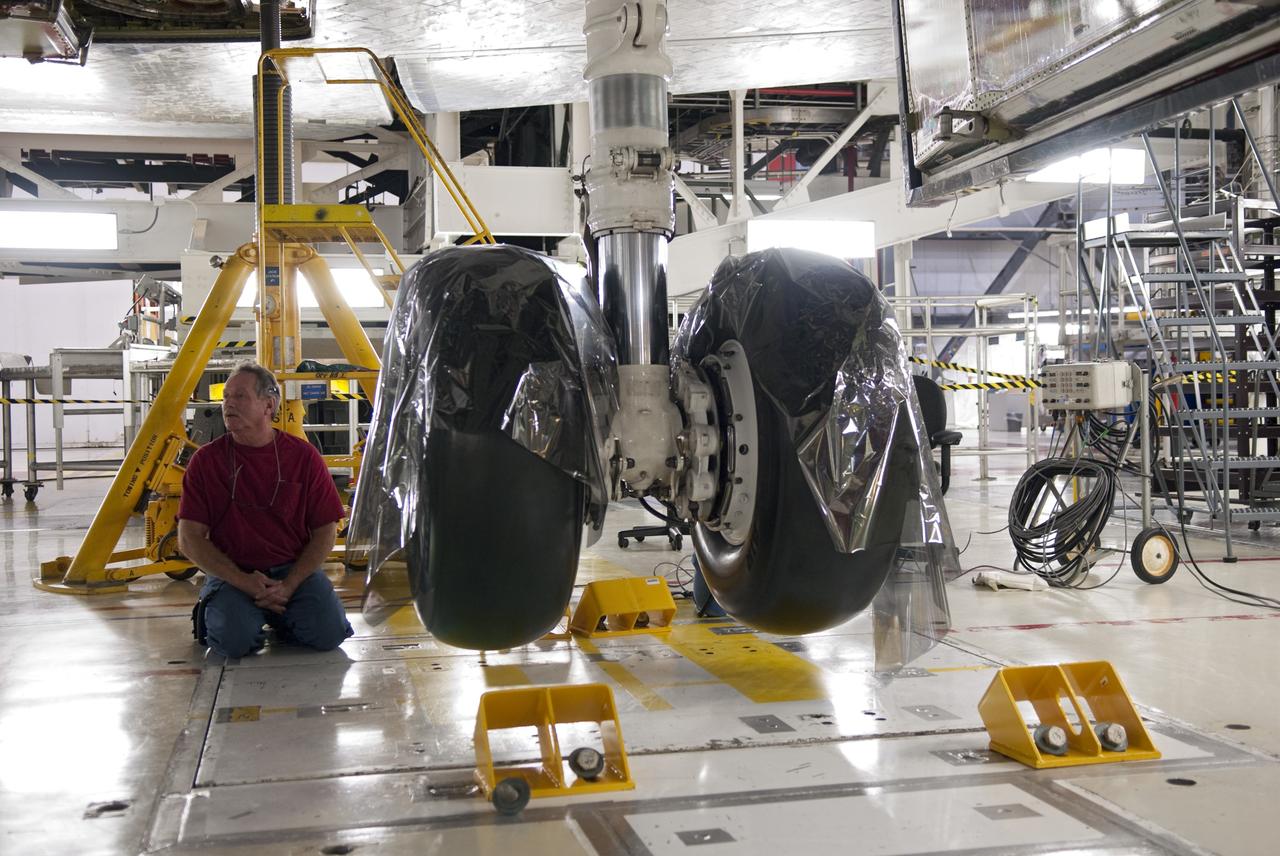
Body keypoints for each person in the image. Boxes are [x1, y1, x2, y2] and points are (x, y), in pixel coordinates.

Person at [178, 361, 352, 658]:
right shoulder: (206, 462)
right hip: (233, 573)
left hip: (292, 571)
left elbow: (325, 530)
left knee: (329, 634)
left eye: (240, 396)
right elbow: (189, 538)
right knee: (234, 642)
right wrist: (243, 582)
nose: (228, 404)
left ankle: (279, 615)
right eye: (226, 397)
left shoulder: (303, 458)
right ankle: (228, 611)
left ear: (269, 405)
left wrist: (289, 584)